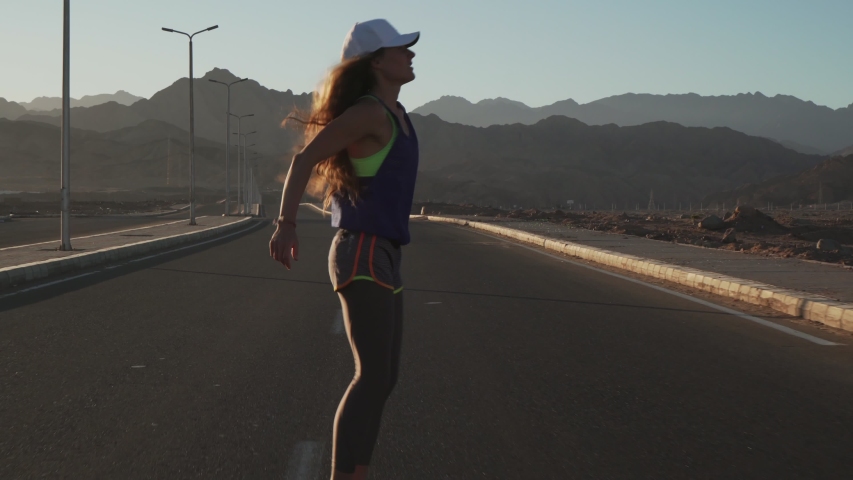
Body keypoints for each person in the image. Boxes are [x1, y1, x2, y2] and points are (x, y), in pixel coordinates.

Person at [269, 19, 420, 480]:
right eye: (400, 49)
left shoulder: (397, 113)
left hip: (386, 253)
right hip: (362, 251)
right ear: (376, 61)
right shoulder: (369, 113)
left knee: (385, 378)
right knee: (371, 376)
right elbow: (304, 158)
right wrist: (286, 224)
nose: (410, 55)